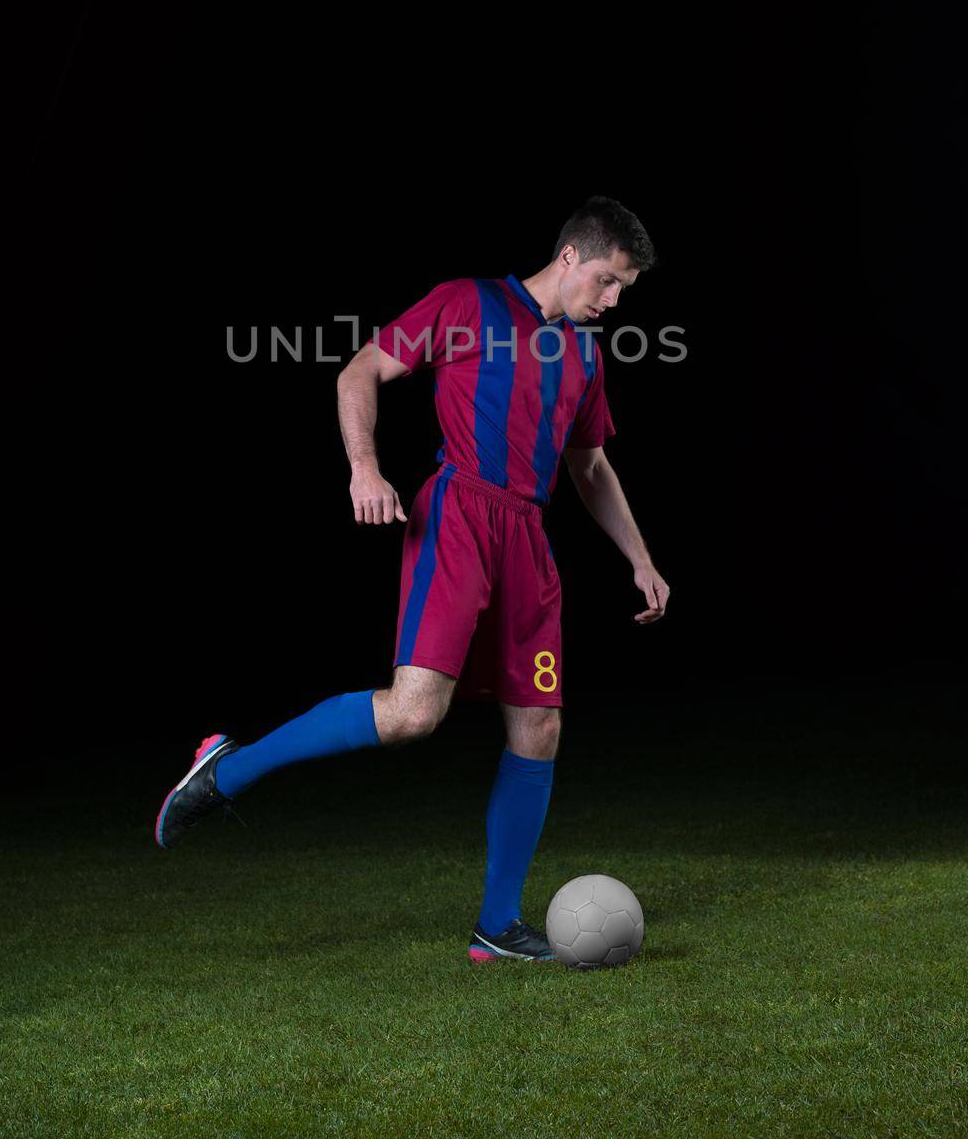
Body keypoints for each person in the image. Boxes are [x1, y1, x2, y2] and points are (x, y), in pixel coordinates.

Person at [154, 195, 670, 963]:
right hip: (458, 517)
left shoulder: (586, 355)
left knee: (541, 727)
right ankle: (228, 767)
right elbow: (360, 368)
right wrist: (365, 467)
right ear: (569, 258)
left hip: (528, 538)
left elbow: (589, 465)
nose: (613, 300)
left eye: (623, 288)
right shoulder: (468, 303)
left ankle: (497, 928)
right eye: (606, 281)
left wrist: (640, 557)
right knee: (411, 716)